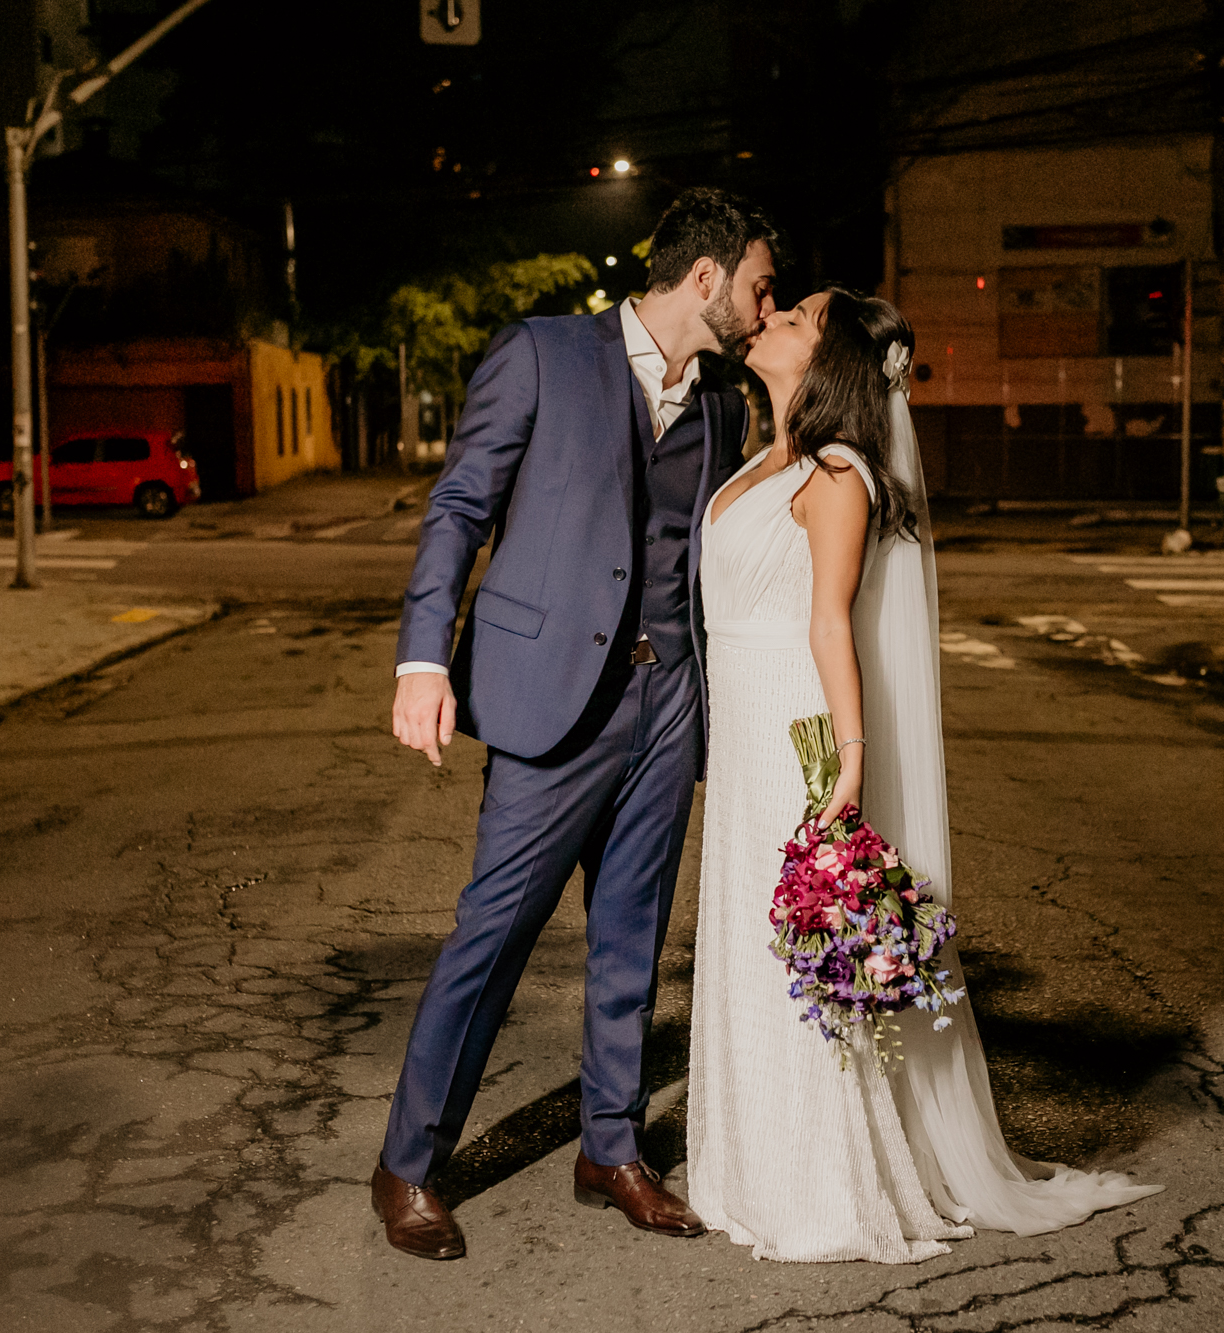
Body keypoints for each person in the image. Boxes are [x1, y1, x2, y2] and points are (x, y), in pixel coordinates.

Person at [687, 287, 1162, 1263]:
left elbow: (829, 625)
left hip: (795, 734)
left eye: (797, 316)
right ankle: (744, 1167)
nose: (772, 316)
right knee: (746, 939)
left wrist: (846, 767)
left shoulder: (837, 472)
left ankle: (818, 1186)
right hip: (736, 738)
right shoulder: (759, 461)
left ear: (832, 364)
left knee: (797, 951)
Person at [371, 187, 778, 1260]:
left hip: (667, 699)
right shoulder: (542, 354)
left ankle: (610, 1145)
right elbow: (460, 506)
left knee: (631, 940)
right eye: (756, 285)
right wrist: (423, 656)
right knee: (491, 934)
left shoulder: (729, 402)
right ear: (705, 277)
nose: (760, 305)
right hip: (551, 697)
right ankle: (409, 1161)